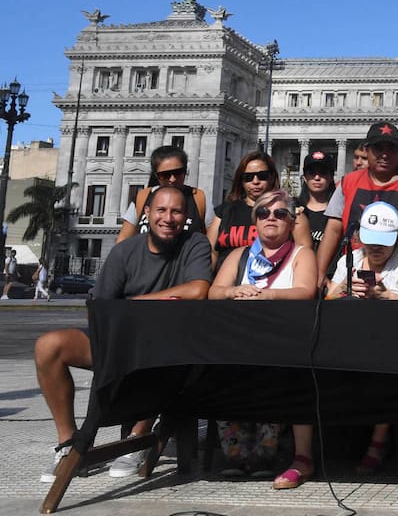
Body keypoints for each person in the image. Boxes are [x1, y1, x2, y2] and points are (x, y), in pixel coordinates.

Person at [35, 186, 211, 483]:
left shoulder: (195, 244)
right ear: (147, 214)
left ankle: (136, 438)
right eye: (161, 210)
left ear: (186, 218)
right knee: (47, 346)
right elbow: (102, 307)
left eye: (177, 211)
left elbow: (197, 289)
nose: (168, 218)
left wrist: (133, 305)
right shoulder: (124, 251)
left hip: (165, 347)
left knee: (165, 353)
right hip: (117, 340)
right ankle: (68, 443)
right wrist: (155, 305)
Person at [208, 190, 318, 483]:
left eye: (280, 213)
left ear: (292, 221)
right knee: (224, 376)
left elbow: (306, 290)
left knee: (279, 377)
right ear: (254, 220)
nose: (271, 218)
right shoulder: (238, 255)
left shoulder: (301, 254)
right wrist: (233, 291)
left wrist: (265, 295)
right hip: (238, 343)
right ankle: (235, 453)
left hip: (281, 343)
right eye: (264, 213)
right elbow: (214, 292)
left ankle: (266, 454)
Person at [326, 201, 398, 476]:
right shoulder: (349, 258)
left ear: (397, 237)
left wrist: (385, 295)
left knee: (388, 372)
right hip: (352, 341)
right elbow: (328, 302)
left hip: (397, 343)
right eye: (370, 241)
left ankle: (378, 442)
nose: (375, 249)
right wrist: (345, 288)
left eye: (383, 243)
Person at [316, 122, 398, 281]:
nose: (384, 154)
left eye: (390, 149)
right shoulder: (347, 182)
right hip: (351, 269)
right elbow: (333, 230)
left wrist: (395, 279)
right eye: (378, 148)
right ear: (367, 151)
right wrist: (319, 275)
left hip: (395, 273)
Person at [208, 151, 311, 273]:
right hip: (226, 284)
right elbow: (211, 254)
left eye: (262, 176)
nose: (255, 181)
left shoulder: (291, 211)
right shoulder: (224, 211)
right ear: (240, 180)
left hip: (272, 284)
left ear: (272, 177)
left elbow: (304, 255)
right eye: (248, 177)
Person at [116, 145, 214, 243]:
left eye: (178, 172)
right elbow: (122, 241)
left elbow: (212, 245)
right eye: (165, 175)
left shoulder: (199, 199)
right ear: (156, 175)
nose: (172, 179)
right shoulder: (142, 198)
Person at [296, 150, 336, 249]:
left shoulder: (338, 212)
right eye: (312, 173)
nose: (317, 178)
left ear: (331, 177)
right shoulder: (294, 208)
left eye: (323, 173)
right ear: (305, 177)